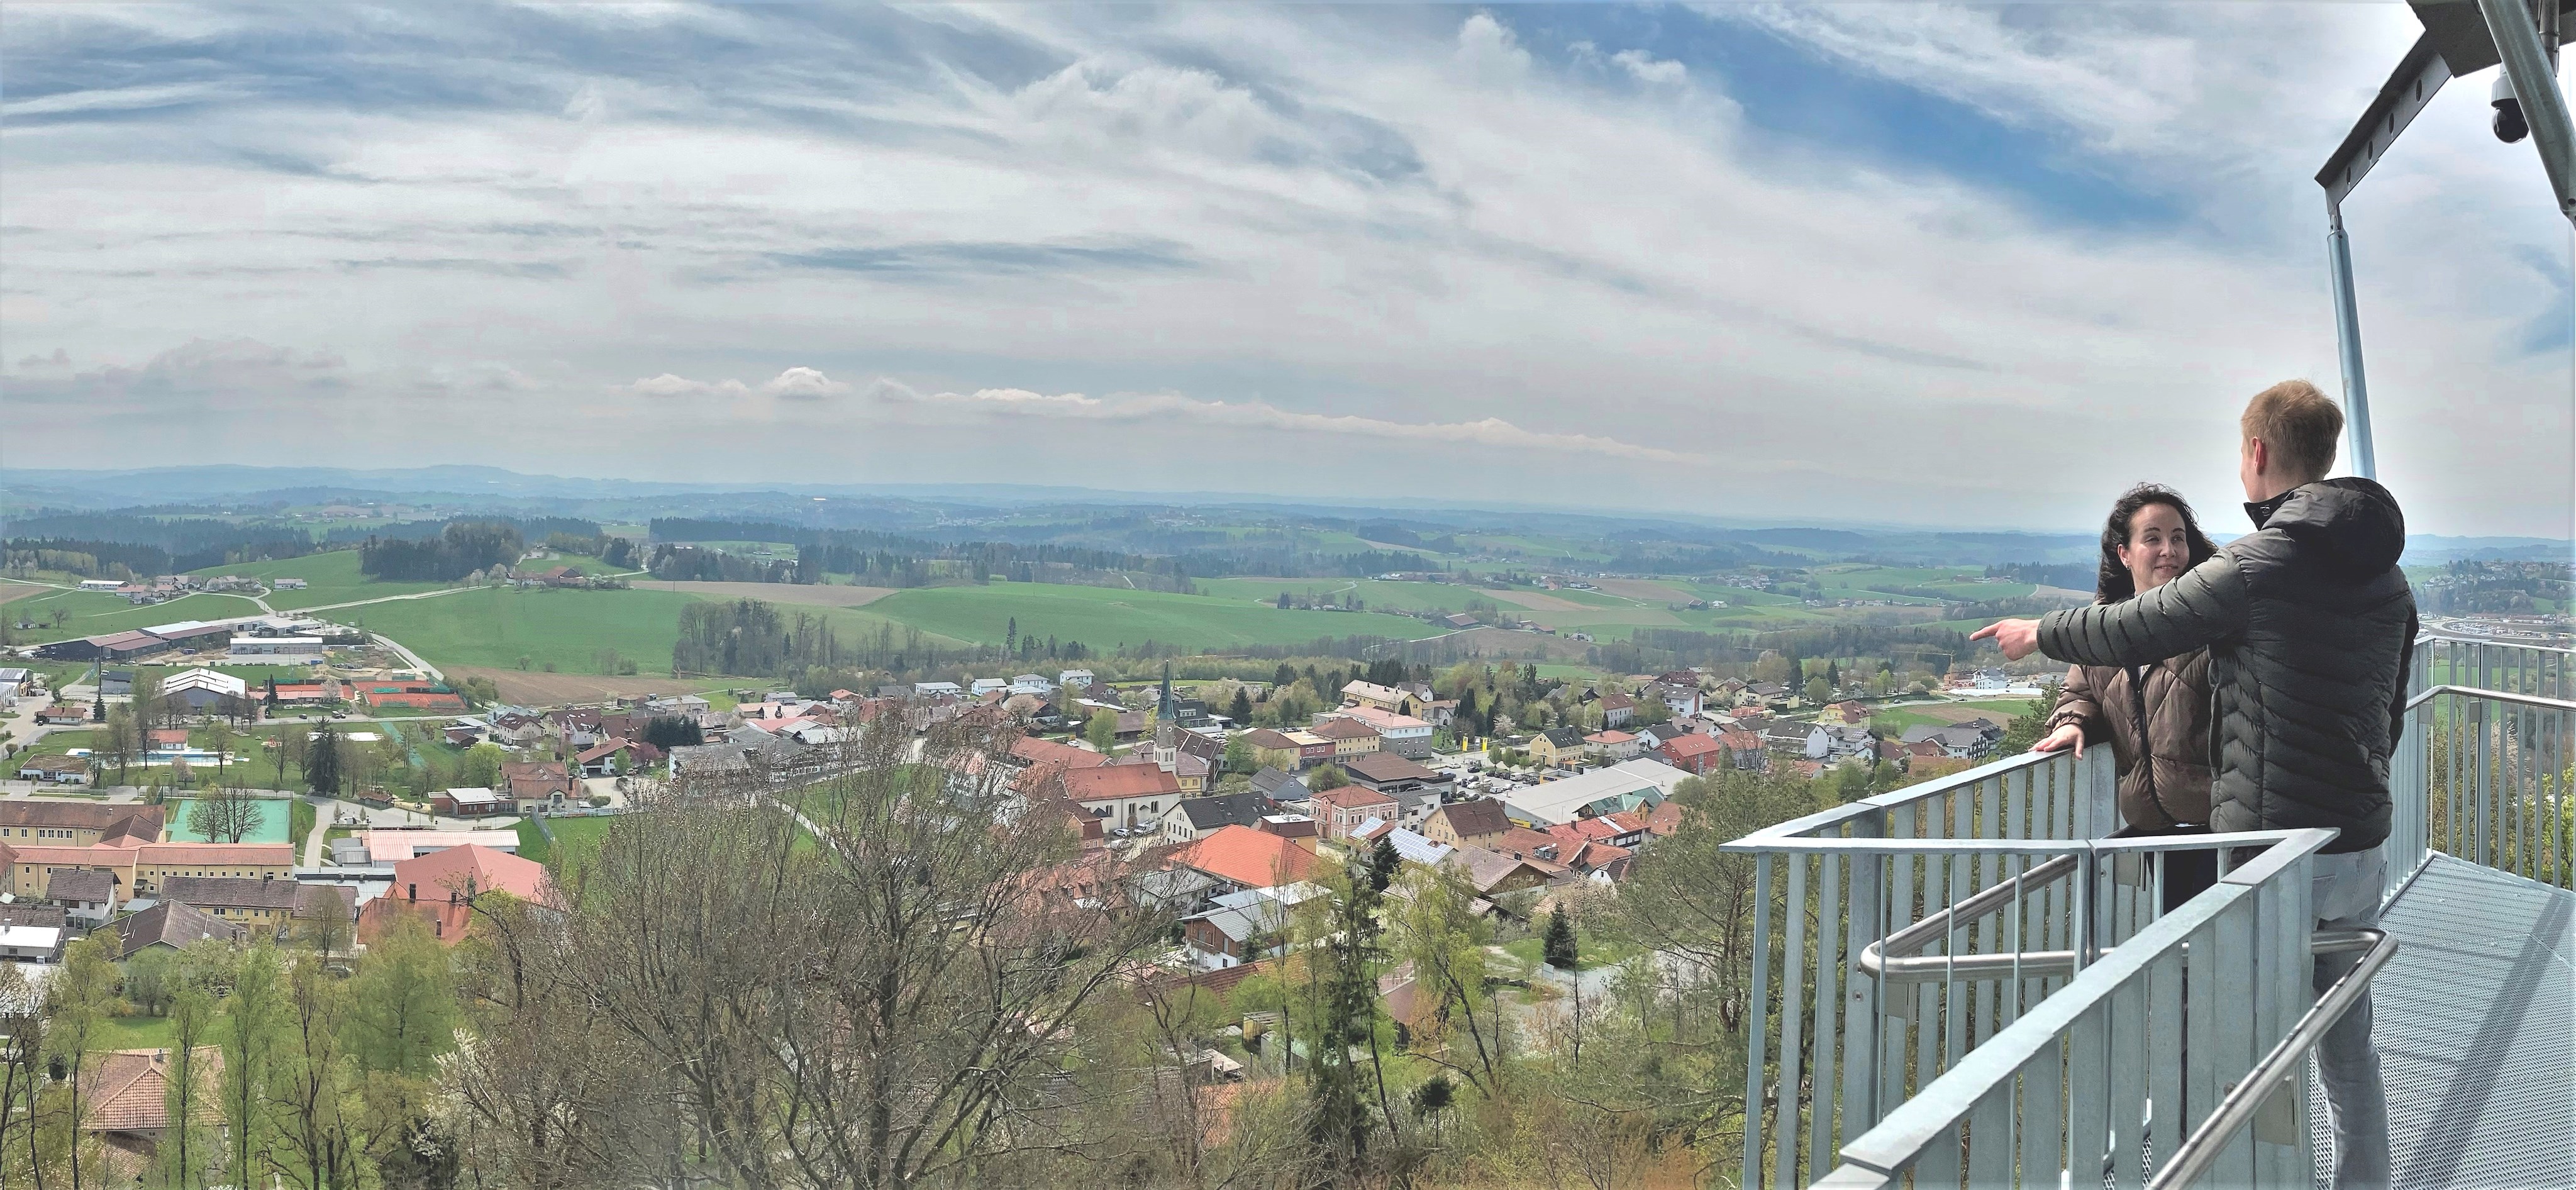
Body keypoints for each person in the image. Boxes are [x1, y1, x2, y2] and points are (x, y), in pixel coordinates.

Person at [1973, 380, 2414, 1190]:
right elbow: (2387, 708)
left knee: (2247, 1044)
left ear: (2255, 454)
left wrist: (2036, 632)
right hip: (2360, 839)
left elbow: (2137, 623)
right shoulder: (2386, 574)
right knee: (2348, 1045)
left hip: (2278, 849)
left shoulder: (2258, 563)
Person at [2031, 482, 2220, 912]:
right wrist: (2073, 722)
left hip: (2220, 827)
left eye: (2177, 538)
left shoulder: (2212, 621)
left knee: (2220, 956)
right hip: (2155, 826)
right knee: (2185, 956)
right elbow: (2079, 690)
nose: (2169, 550)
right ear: (2124, 554)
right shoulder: (2103, 632)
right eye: (2152, 538)